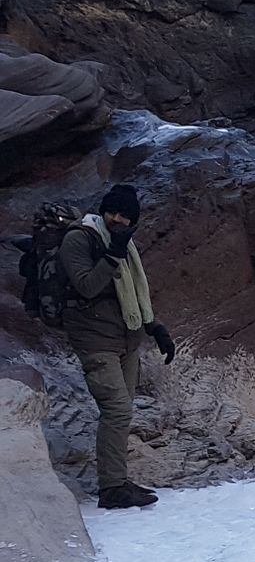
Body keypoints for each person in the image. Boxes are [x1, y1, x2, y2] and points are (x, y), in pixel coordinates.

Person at [59, 184, 175, 509]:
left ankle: (118, 481)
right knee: (117, 409)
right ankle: (111, 489)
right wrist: (112, 255)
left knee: (122, 413)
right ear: (103, 210)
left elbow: (135, 292)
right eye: (113, 212)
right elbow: (86, 286)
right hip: (94, 339)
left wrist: (156, 328)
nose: (118, 219)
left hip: (126, 339)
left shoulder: (124, 244)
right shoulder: (79, 238)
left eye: (125, 216)